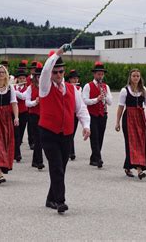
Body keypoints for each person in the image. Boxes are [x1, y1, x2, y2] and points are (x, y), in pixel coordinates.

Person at [39, 45, 91, 214]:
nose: (58, 75)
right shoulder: (45, 86)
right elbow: (46, 69)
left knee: (61, 167)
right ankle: (60, 201)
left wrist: (86, 125)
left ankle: (50, 198)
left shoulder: (72, 89)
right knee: (56, 166)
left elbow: (81, 108)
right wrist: (59, 52)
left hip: (66, 133)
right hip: (48, 131)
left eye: (61, 72)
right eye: (56, 72)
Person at [115, 69, 146, 180]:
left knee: (140, 143)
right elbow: (120, 107)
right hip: (128, 118)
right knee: (130, 143)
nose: (136, 78)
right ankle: (139, 170)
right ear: (130, 77)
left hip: (140, 118)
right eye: (134, 76)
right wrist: (117, 122)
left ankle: (128, 167)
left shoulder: (144, 90)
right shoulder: (124, 90)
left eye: (138, 76)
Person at [82, 62, 113, 168]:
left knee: (100, 137)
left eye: (102, 74)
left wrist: (105, 96)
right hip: (92, 115)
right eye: (98, 74)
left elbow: (110, 102)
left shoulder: (106, 86)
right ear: (94, 74)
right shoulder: (88, 86)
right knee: (94, 137)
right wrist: (96, 99)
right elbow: (85, 101)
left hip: (103, 114)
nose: (100, 76)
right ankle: (98, 158)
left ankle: (93, 158)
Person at [25, 62, 44, 170]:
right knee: (38, 138)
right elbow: (27, 103)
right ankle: (39, 161)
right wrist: (35, 102)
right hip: (33, 116)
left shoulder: (45, 88)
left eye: (41, 76)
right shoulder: (30, 88)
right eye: (38, 76)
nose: (39, 78)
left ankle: (35, 161)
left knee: (40, 138)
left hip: (43, 115)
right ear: (35, 77)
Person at [13, 68, 29, 162]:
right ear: (17, 79)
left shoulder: (27, 89)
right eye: (20, 78)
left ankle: (15, 150)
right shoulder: (13, 87)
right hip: (14, 113)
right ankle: (17, 153)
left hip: (23, 113)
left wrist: (13, 91)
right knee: (16, 134)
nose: (22, 80)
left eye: (23, 78)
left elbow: (23, 97)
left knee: (21, 133)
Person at [67, 69, 82, 161]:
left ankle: (70, 151)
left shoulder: (80, 88)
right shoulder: (66, 87)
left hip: (75, 113)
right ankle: (71, 152)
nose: (76, 81)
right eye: (74, 79)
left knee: (72, 132)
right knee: (69, 132)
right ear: (70, 79)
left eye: (77, 79)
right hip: (68, 112)